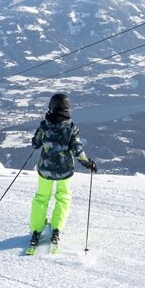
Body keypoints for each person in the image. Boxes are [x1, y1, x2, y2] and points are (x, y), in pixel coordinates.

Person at [26, 92, 97, 252]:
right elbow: (77, 149)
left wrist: (39, 142)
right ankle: (56, 230)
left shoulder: (44, 125)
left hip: (45, 170)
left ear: (51, 107)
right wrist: (87, 163)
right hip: (65, 170)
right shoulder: (71, 128)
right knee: (63, 197)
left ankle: (36, 231)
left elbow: (35, 143)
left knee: (41, 198)